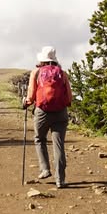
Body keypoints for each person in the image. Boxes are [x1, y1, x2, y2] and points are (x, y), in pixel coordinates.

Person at [23, 46, 73, 188]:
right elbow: (69, 98)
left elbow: (31, 96)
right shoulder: (62, 74)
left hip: (42, 112)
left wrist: (26, 103)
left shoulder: (36, 72)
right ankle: (60, 179)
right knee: (58, 145)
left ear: (42, 60)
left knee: (39, 139)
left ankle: (45, 169)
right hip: (60, 113)